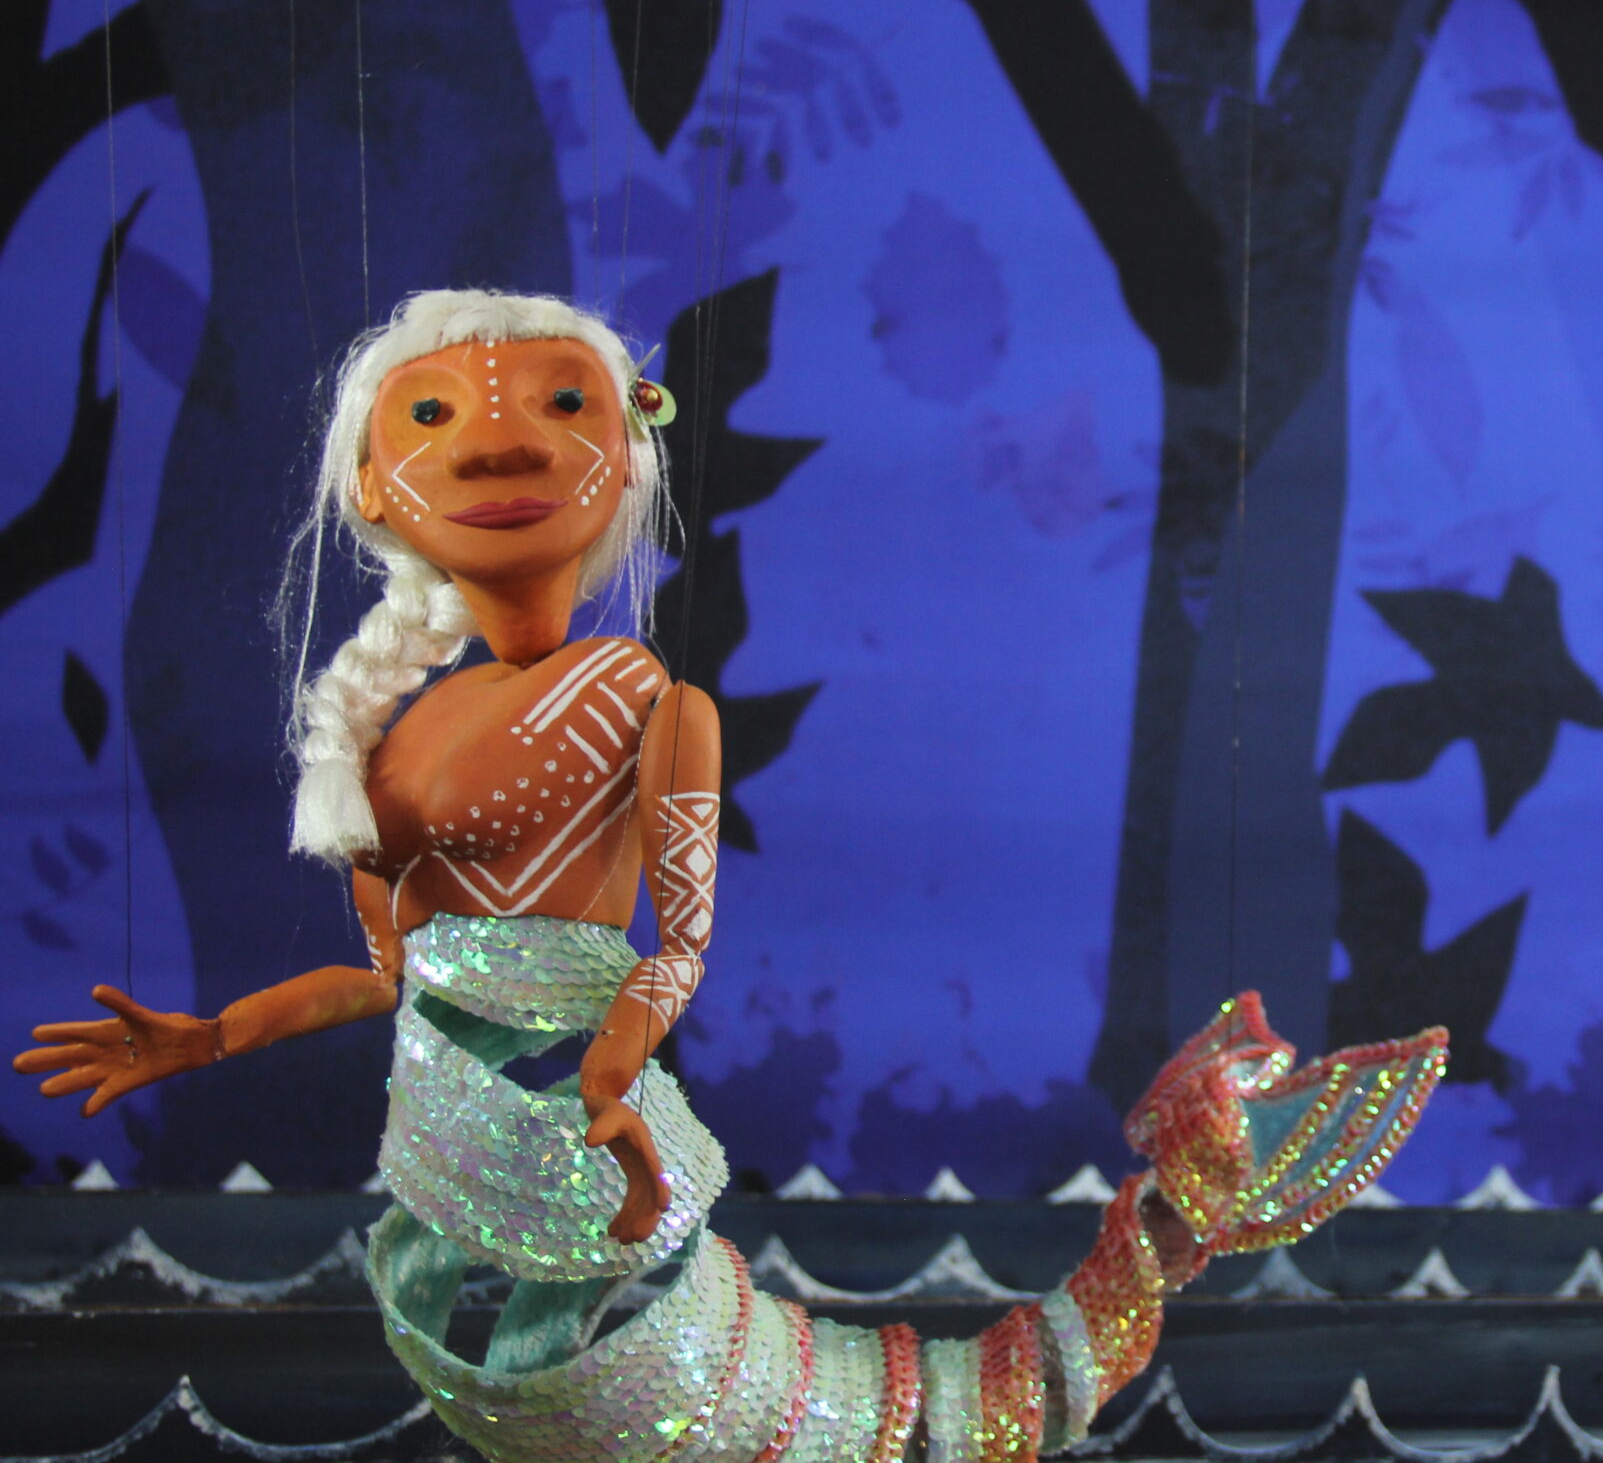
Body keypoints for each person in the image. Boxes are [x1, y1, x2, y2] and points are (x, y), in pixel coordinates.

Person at [15, 290, 1445, 1462]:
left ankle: (1166, 1232)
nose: (500, 446)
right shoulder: (392, 729)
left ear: (628, 456)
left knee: (649, 1396)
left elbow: (677, 948)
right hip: (464, 1178)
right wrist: (211, 1036)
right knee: (536, 1396)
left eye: (560, 404)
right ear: (375, 486)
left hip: (606, 1186)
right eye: (435, 417)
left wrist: (609, 1084)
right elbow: (393, 978)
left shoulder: (650, 703)